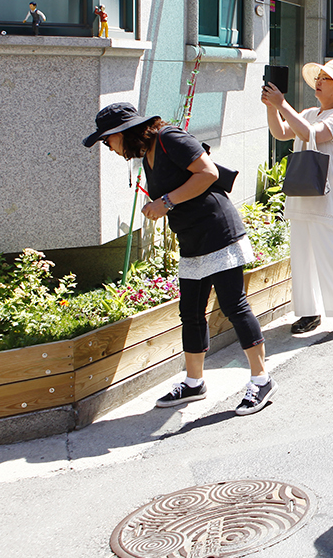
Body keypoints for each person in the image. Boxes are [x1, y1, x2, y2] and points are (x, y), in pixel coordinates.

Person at [84, 103, 272, 414]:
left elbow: (208, 173)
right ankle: (194, 382)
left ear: (121, 133)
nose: (108, 147)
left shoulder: (170, 138)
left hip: (218, 232)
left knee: (234, 305)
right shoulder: (148, 154)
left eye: (107, 140)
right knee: (191, 312)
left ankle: (261, 379)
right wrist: (161, 204)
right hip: (193, 239)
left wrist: (166, 202)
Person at [262, 59, 333, 339]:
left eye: (326, 78)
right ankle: (309, 312)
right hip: (302, 196)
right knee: (302, 258)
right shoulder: (311, 112)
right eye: (319, 77)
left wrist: (281, 103)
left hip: (328, 199)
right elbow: (282, 132)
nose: (319, 81)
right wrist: (272, 107)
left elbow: (310, 135)